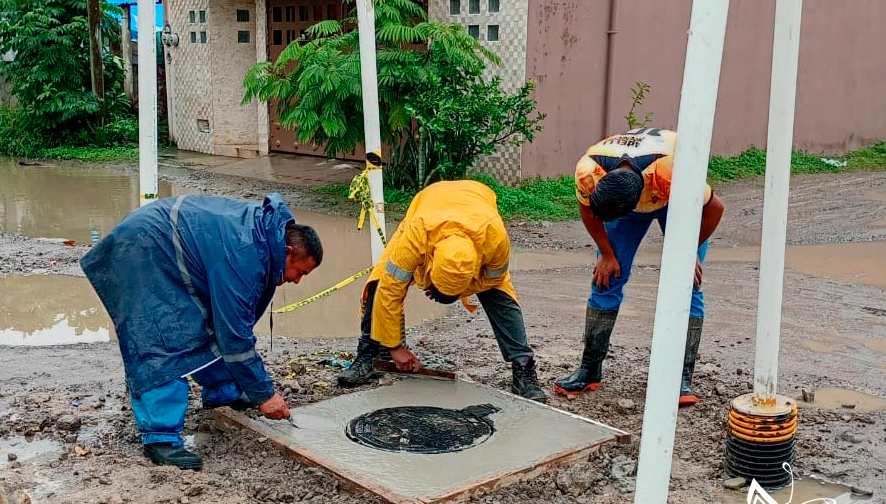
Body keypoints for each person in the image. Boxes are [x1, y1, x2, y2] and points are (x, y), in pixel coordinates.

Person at [81, 194, 322, 470]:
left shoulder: (265, 238)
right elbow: (235, 336)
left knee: (206, 318)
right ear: (288, 251)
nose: (296, 280)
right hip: (144, 248)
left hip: (169, 244)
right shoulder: (247, 255)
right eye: (299, 272)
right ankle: (160, 436)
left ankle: (222, 389)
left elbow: (228, 324)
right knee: (164, 333)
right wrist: (265, 395)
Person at [553, 127, 724, 406]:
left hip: (674, 200)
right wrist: (607, 254)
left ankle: (679, 378)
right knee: (606, 279)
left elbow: (715, 208)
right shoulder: (589, 171)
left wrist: (688, 252)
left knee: (687, 285)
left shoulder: (671, 172)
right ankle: (589, 369)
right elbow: (587, 209)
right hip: (628, 191)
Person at [338, 179, 546, 402]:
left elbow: (492, 280)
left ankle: (523, 367)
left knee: (501, 296)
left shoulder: (495, 238)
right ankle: (369, 352)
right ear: (431, 264)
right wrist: (395, 346)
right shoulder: (416, 234)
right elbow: (391, 289)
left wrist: (453, 289)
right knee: (381, 280)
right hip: (427, 205)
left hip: (478, 206)